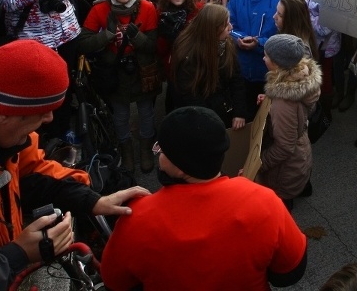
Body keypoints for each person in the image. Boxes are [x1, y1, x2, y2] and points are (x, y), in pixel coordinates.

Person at [0, 40, 149, 291]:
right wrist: (17, 255)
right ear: (3, 113)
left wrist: (92, 201)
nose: (49, 119)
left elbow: (30, 171)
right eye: (41, 113)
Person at [100, 106, 307, 290]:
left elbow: (114, 282)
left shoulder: (136, 219)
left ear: (181, 169)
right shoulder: (263, 200)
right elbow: (289, 273)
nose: (159, 156)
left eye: (161, 150)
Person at [77, 0, 159, 173]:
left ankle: (146, 149)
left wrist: (137, 37)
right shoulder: (100, 9)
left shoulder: (147, 8)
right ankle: (127, 151)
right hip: (114, 72)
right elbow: (83, 43)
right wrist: (106, 36)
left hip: (141, 70)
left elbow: (153, 46)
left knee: (146, 112)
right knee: (120, 115)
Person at [258, 34, 322, 208]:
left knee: (282, 207)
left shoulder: (283, 102)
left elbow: (284, 147)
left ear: (278, 64)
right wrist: (270, 99)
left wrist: (259, 164)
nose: (263, 58)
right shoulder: (301, 78)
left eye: (266, 56)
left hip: (285, 170)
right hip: (300, 153)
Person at [228, 0, 285, 111]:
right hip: (241, 69)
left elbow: (285, 36)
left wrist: (259, 43)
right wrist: (239, 38)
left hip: (268, 71)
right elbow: (230, 26)